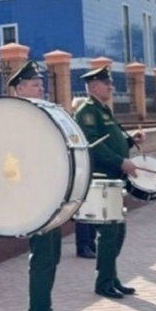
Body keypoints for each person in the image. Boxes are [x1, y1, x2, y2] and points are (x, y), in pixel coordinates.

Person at [9, 60, 76, 311]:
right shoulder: (13, 117)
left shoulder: (43, 114)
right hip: (33, 196)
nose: (42, 88)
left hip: (51, 193)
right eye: (35, 84)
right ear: (19, 88)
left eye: (41, 83)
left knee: (52, 255)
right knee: (42, 258)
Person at [74, 65, 144, 300]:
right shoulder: (87, 112)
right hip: (102, 179)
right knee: (109, 233)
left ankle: (111, 277)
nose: (111, 86)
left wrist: (130, 141)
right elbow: (95, 146)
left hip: (114, 178)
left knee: (117, 232)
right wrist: (121, 162)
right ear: (94, 86)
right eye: (106, 83)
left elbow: (111, 140)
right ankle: (103, 282)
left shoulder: (103, 110)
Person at [70, 95, 97, 259]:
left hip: (89, 170)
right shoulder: (72, 127)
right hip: (80, 172)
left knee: (91, 208)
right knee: (83, 210)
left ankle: (91, 243)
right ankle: (83, 245)